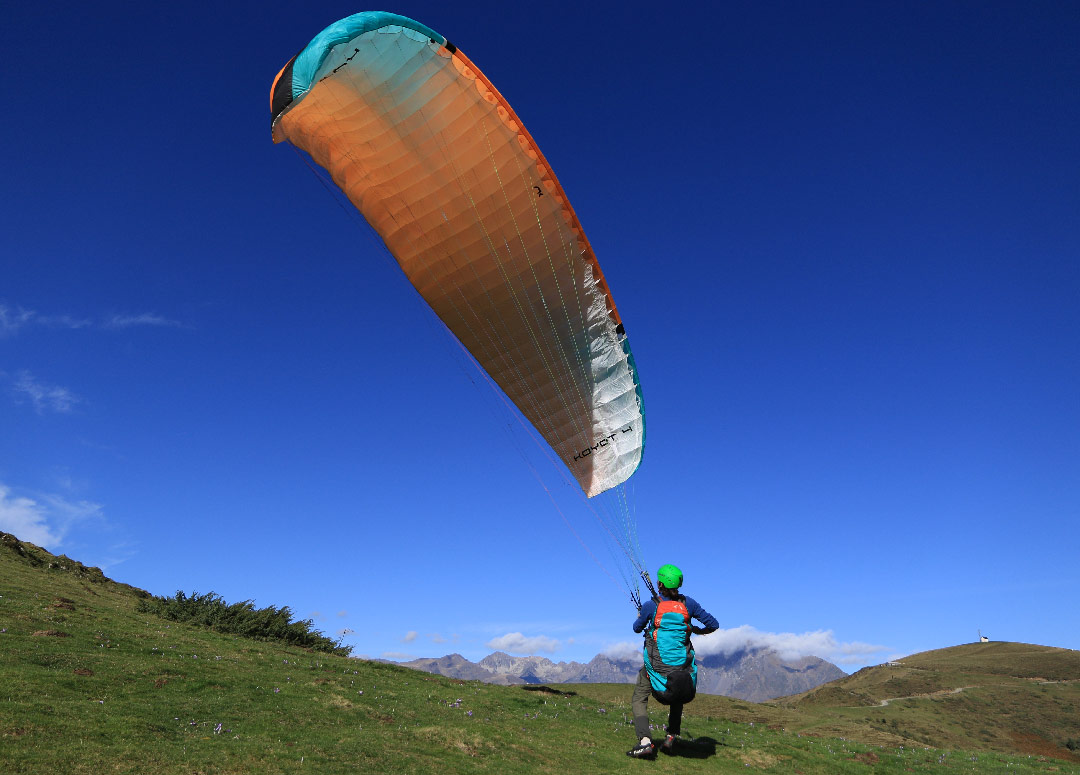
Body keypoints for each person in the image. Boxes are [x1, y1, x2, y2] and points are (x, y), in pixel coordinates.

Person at [626, 564, 718, 758]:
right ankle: (671, 737)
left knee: (639, 696)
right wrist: (694, 630)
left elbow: (636, 628)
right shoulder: (689, 604)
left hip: (658, 675)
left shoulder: (652, 605)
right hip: (681, 675)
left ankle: (645, 742)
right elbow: (713, 624)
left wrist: (642, 616)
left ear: (659, 584)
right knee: (679, 683)